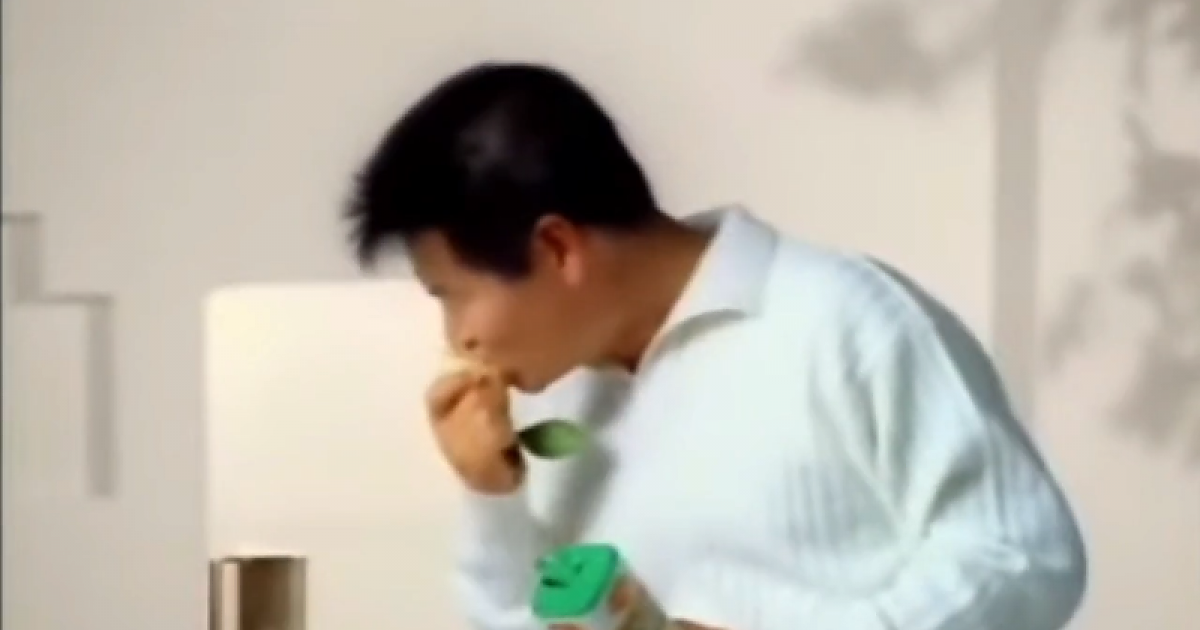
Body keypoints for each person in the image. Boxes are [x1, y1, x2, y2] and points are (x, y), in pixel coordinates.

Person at [346, 62, 1088, 630]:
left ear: (558, 248)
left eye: (452, 295)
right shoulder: (553, 401)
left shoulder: (846, 318)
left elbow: (1022, 556)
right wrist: (492, 497)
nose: (458, 338)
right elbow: (525, 619)